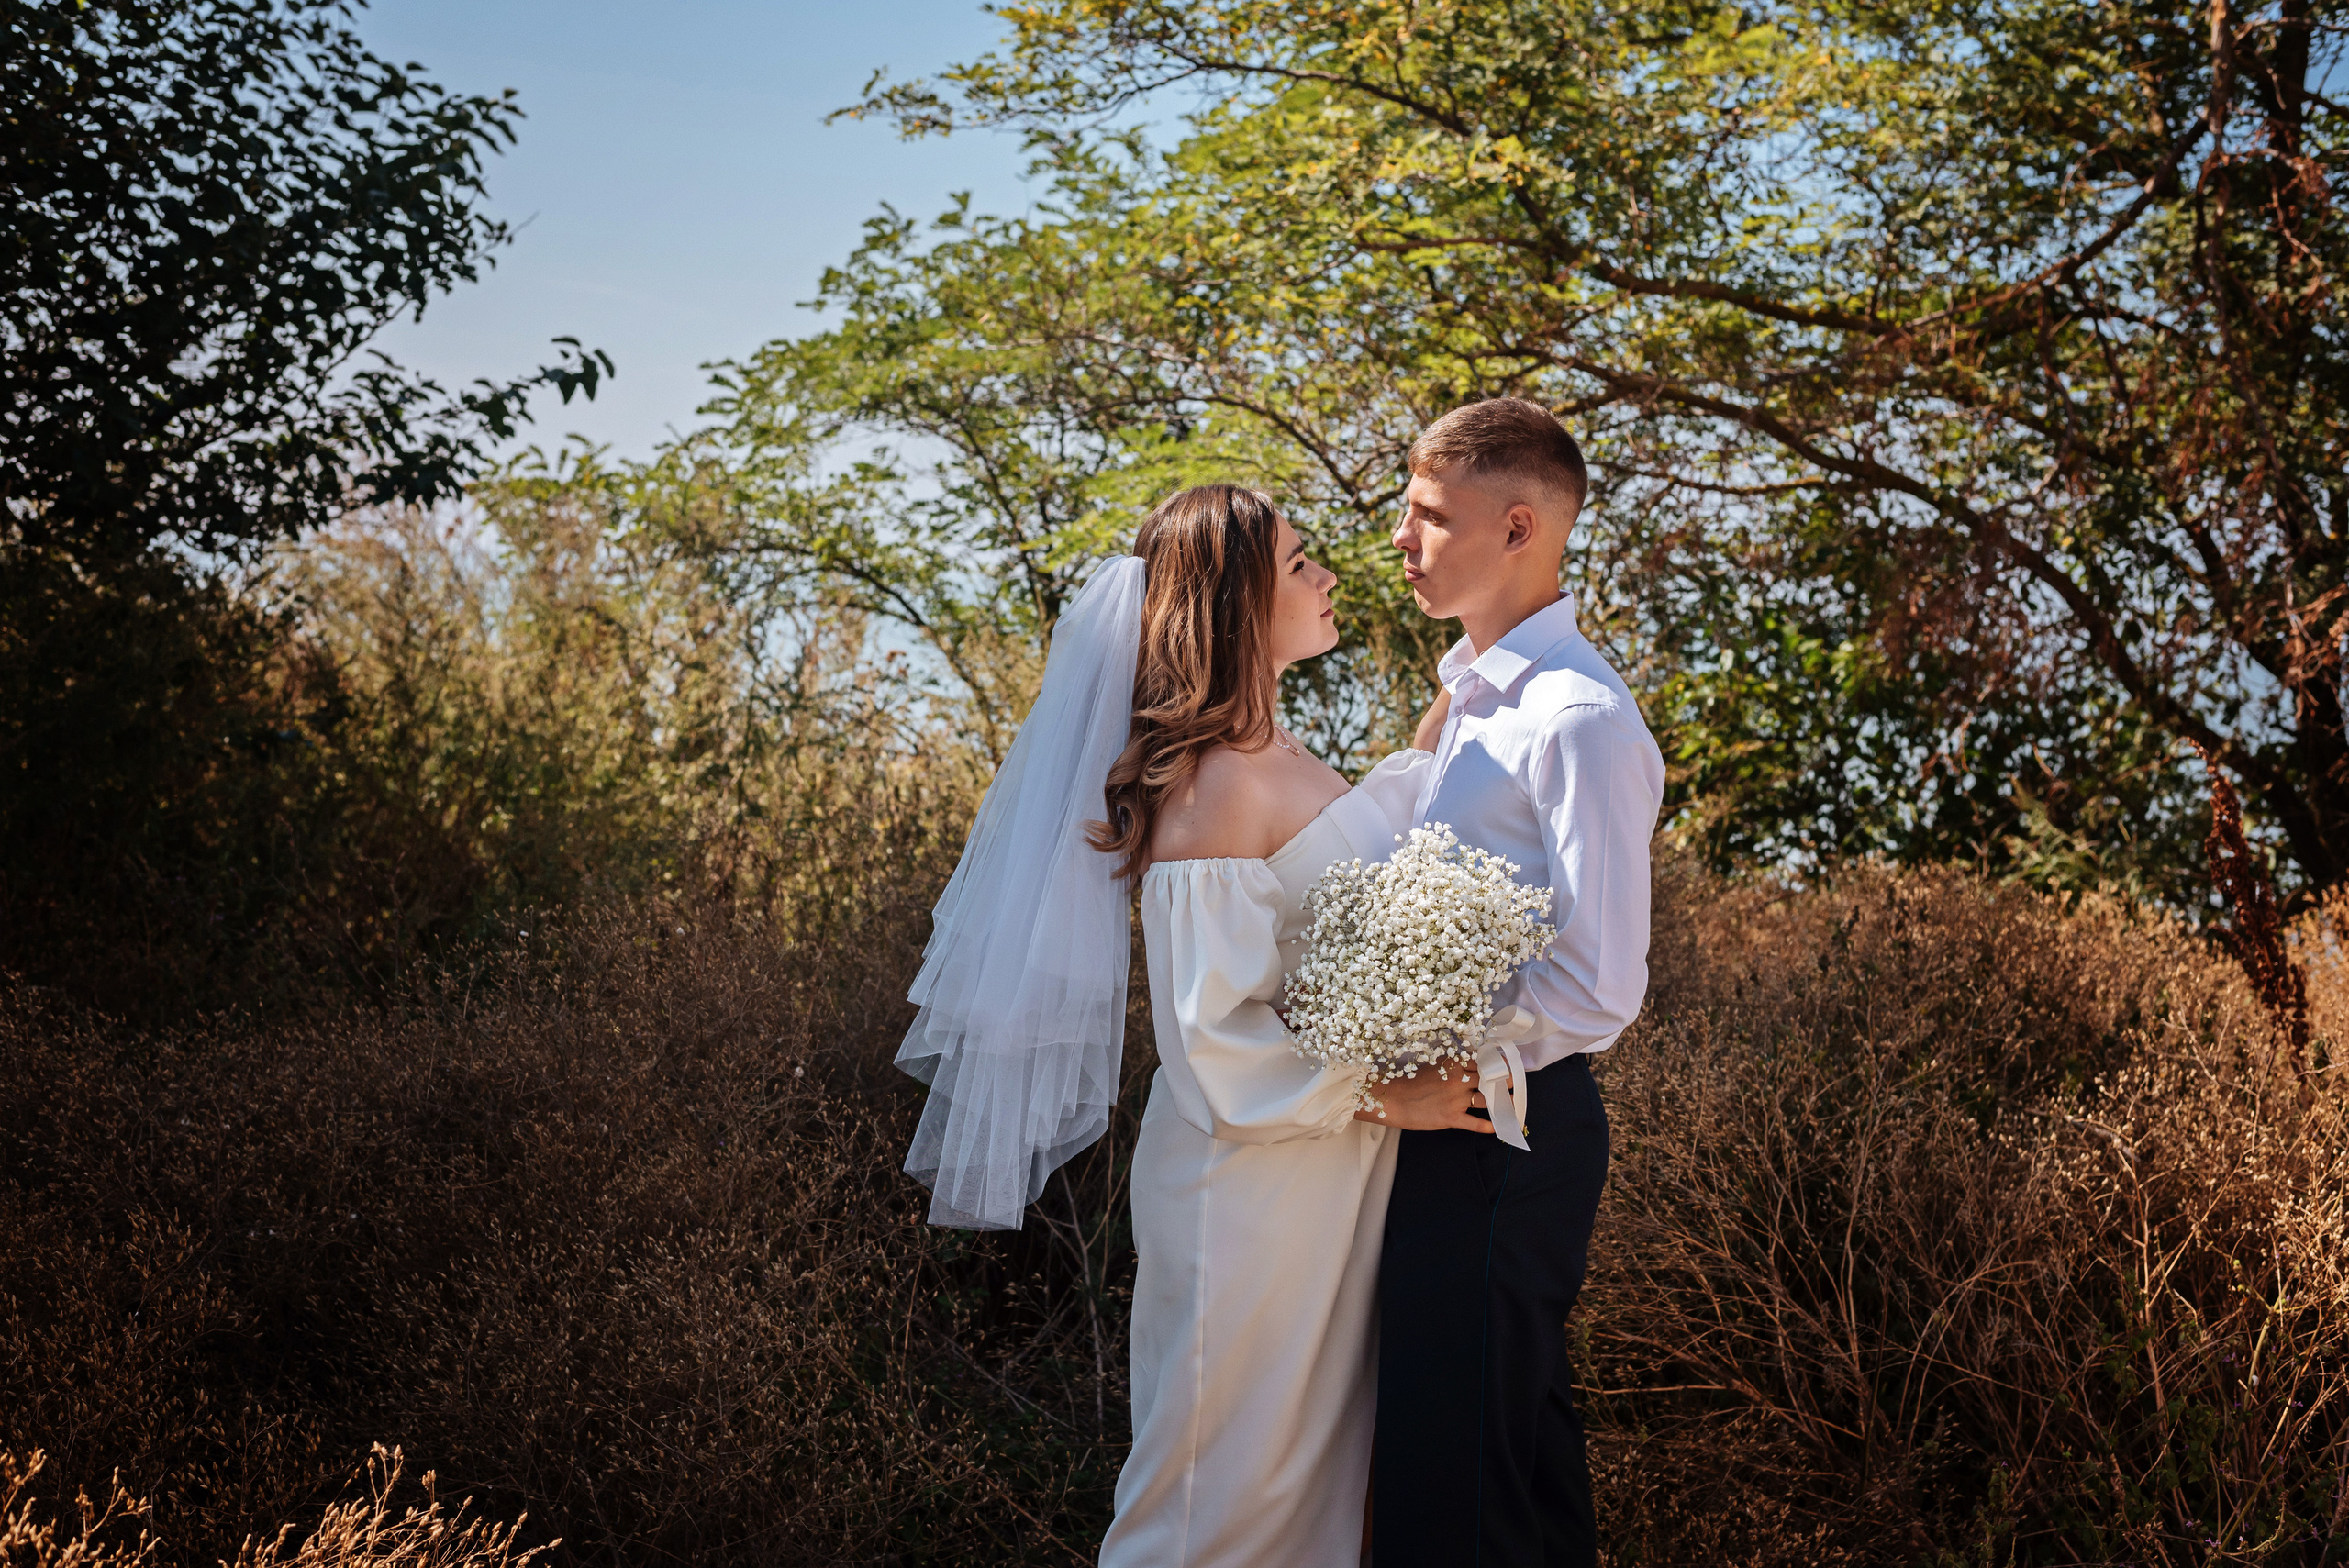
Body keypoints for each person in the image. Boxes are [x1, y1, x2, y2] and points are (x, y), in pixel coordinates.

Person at [893, 484, 1486, 1568]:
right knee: (1216, 1487)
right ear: (1235, 605)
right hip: (1247, 1179)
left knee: (1309, 1486)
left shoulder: (1281, 752)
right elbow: (1207, 1040)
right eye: (1300, 563)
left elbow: (1340, 859)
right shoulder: (1213, 787)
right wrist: (1381, 1093)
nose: (1326, 576)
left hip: (1321, 1171)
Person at [1374, 399, 1665, 1568]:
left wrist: (1435, 1052)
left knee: (1467, 1477)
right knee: (1501, 1459)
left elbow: (1599, 981)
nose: (1400, 535)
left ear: (1518, 526)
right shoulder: (1472, 702)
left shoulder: (1578, 719)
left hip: (1506, 1120)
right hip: (1457, 1116)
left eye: (1428, 514)